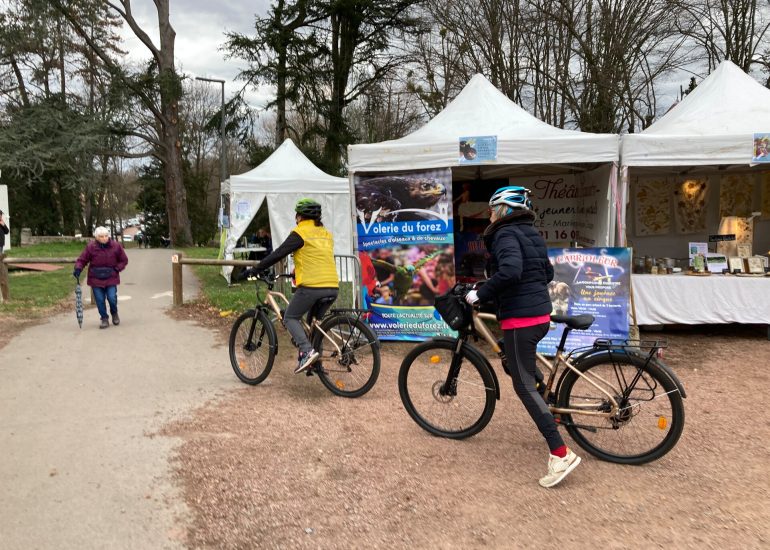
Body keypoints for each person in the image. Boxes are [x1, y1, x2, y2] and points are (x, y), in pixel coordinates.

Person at [465, 186, 581, 488]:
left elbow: (512, 272)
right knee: (516, 360)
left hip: (522, 320)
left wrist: (481, 293)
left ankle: (560, 453)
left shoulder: (504, 234)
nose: (490, 215)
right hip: (539, 315)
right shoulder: (530, 232)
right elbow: (546, 273)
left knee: (522, 386)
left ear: (503, 209)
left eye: (492, 209)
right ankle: (549, 406)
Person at [244, 199, 339, 374]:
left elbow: (279, 253)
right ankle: (315, 363)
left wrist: (256, 268)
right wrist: (297, 271)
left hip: (312, 287)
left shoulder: (300, 232)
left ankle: (307, 351)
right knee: (312, 325)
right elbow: (317, 257)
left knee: (290, 317)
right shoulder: (325, 233)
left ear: (300, 216)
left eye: (297, 215)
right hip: (332, 285)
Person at [73, 226, 129, 329]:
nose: (104, 238)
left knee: (112, 298)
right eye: (101, 236)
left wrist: (117, 269)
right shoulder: (91, 247)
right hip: (96, 278)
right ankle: (104, 318)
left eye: (106, 236)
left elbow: (124, 260)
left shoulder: (116, 246)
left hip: (111, 277)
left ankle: (114, 313)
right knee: (99, 300)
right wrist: (78, 268)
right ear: (97, 237)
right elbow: (82, 259)